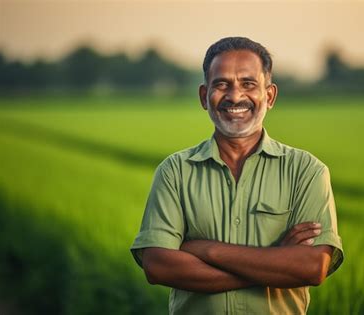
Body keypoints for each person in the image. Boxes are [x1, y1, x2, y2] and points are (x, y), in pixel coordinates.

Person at [131, 36, 344, 315]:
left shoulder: (306, 171)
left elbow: (312, 267)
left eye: (248, 84)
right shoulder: (175, 172)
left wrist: (207, 251)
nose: (234, 96)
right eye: (222, 84)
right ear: (203, 96)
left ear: (269, 96)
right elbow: (158, 265)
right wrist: (276, 262)